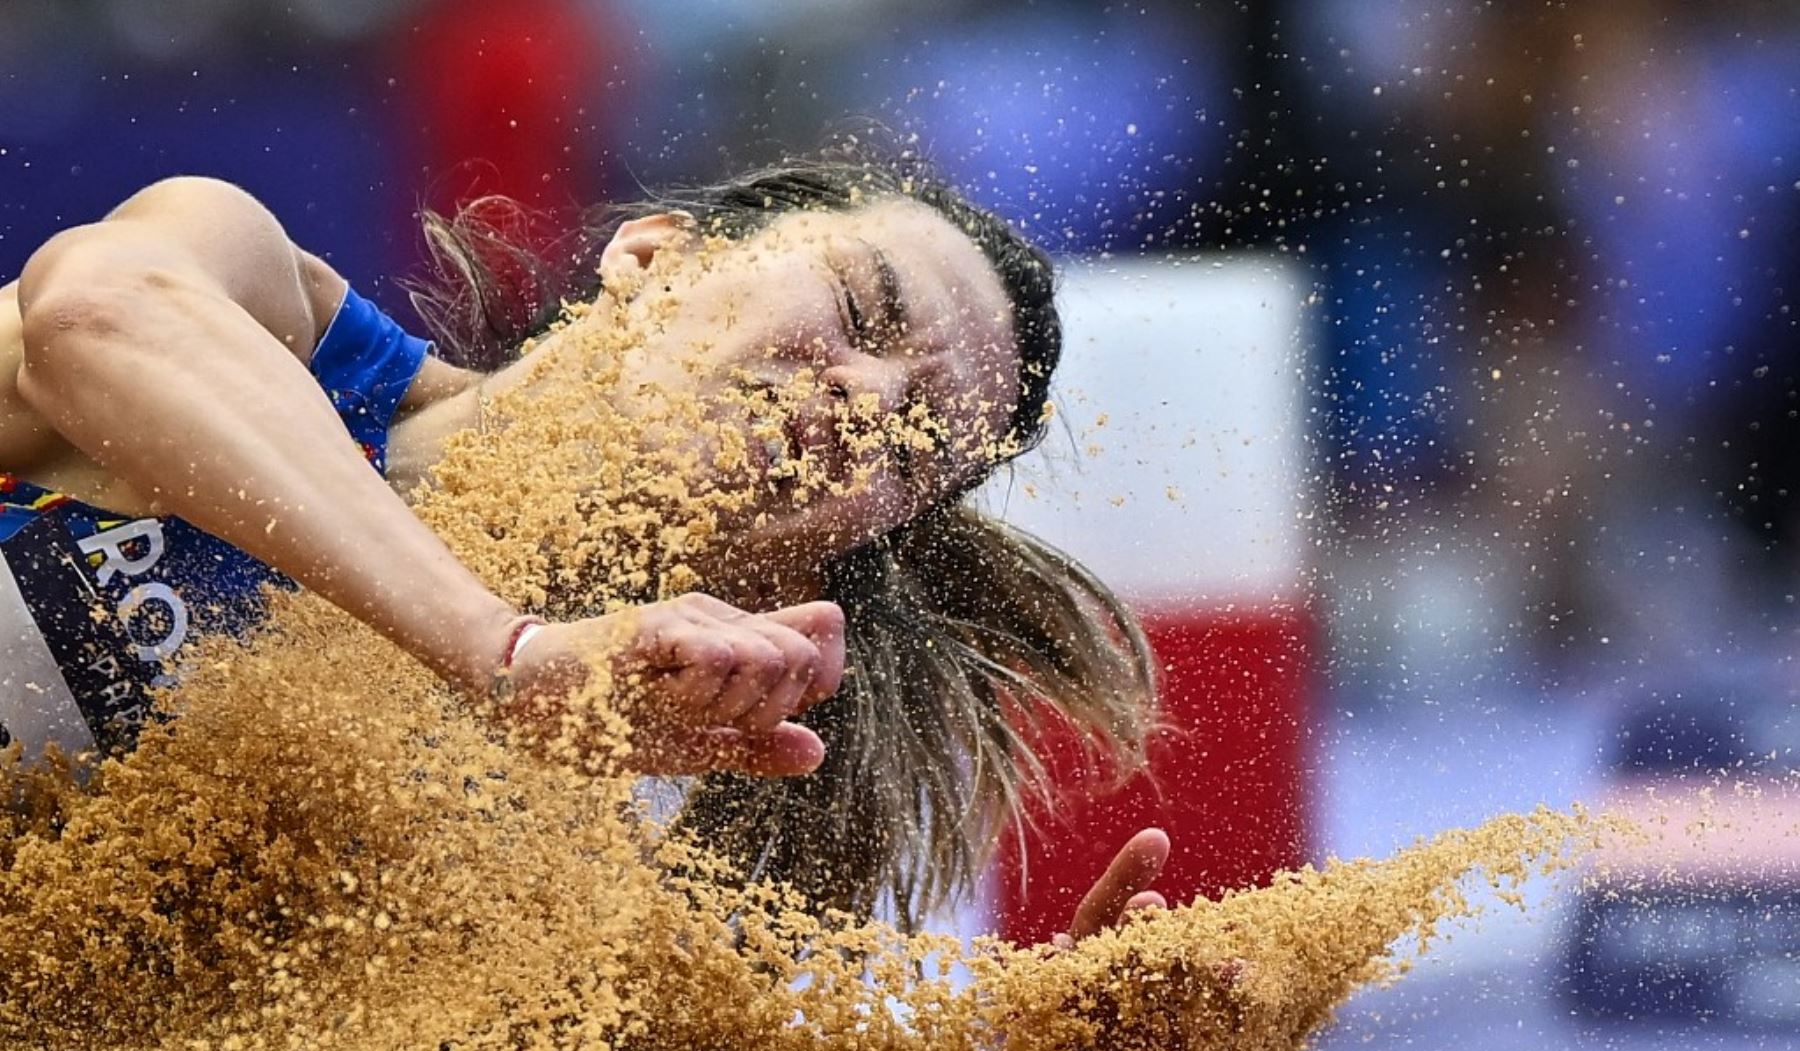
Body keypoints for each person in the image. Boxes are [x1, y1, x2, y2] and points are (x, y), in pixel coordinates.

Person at [1, 149, 1168, 934]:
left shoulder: (608, 826)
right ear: (653, 257)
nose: (868, 400)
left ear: (815, 560)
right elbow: (95, 312)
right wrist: (505, 653)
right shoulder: (273, 319)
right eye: (861, 311)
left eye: (915, 445)